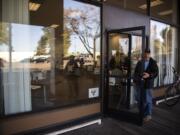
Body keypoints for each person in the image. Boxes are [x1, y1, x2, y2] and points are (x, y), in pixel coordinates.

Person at [134, 49, 158, 122]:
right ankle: (142, 112)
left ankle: (148, 115)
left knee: (148, 99)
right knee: (138, 98)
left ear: (150, 54)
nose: (147, 55)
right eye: (145, 53)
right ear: (143, 54)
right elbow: (136, 72)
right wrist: (137, 78)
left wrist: (149, 75)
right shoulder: (140, 62)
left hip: (148, 84)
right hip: (139, 84)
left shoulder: (153, 62)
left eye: (148, 53)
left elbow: (156, 73)